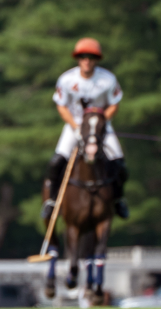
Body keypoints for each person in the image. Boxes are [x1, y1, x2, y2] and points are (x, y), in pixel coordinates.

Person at [42, 37, 129, 221]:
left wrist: (99, 124)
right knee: (56, 162)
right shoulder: (66, 79)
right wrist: (76, 126)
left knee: (119, 163)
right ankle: (52, 201)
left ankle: (119, 200)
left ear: (96, 59)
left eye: (90, 57)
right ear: (78, 59)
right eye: (83, 57)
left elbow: (114, 104)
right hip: (74, 126)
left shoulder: (107, 79)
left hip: (100, 128)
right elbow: (61, 106)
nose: (86, 60)